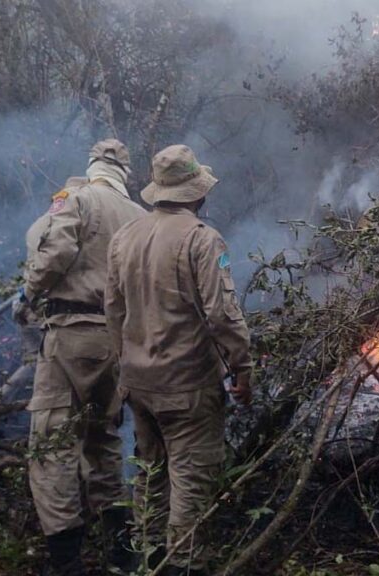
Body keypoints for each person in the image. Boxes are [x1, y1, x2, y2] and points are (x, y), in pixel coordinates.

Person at [105, 144, 252, 575]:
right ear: (196, 193)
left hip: (139, 385)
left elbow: (112, 311)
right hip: (187, 386)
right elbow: (222, 315)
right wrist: (243, 369)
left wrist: (125, 368)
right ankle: (181, 567)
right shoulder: (203, 240)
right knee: (191, 481)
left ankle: (147, 560)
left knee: (151, 476)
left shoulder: (124, 237)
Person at [21, 140, 145, 575]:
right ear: (125, 173)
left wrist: (27, 294)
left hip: (71, 335)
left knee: (51, 446)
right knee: (104, 441)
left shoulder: (76, 199)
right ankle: (122, 553)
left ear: (91, 167)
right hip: (119, 342)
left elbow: (52, 254)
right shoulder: (142, 218)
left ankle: (67, 562)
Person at [3, 177, 88, 402]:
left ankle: (0, 400)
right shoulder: (68, 226)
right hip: (42, 309)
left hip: (26, 305)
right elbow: (54, 265)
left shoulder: (41, 223)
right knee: (51, 371)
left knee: (32, 362)